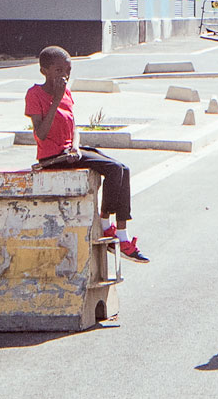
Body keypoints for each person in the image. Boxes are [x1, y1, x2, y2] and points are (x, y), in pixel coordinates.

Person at [27, 46, 148, 262]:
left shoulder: (67, 93)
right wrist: (55, 100)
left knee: (124, 169)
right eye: (58, 71)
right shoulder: (35, 94)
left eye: (68, 70)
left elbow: (74, 127)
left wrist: (75, 146)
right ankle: (106, 225)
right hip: (52, 158)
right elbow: (41, 134)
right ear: (44, 71)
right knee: (113, 170)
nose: (64, 76)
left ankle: (122, 234)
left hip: (70, 152)